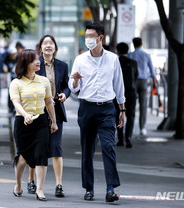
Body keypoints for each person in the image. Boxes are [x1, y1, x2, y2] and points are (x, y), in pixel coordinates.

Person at [68, 22, 125, 203]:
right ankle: (89, 188)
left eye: (91, 36)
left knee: (108, 147)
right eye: (86, 36)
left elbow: (119, 86)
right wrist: (75, 81)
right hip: (87, 108)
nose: (88, 40)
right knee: (87, 149)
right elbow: (73, 88)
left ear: (101, 38)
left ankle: (110, 188)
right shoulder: (80, 60)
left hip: (108, 108)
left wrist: (122, 109)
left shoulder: (113, 59)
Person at [9, 49, 58, 202]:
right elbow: (16, 102)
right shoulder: (16, 82)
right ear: (25, 64)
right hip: (22, 123)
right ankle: (18, 184)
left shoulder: (43, 81)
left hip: (41, 122)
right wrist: (25, 114)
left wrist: (54, 121)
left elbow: (49, 102)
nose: (38, 62)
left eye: (38, 59)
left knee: (41, 154)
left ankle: (40, 189)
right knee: (23, 157)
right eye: (33, 60)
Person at [26, 35, 70, 197]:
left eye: (51, 43)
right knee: (38, 148)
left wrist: (65, 95)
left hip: (56, 111)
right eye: (45, 43)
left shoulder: (63, 66)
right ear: (40, 48)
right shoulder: (34, 64)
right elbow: (27, 84)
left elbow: (66, 86)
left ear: (55, 47)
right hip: (37, 111)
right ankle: (31, 180)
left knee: (56, 148)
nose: (48, 46)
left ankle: (59, 184)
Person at [128, 37, 157, 136]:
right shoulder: (146, 55)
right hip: (144, 81)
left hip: (133, 81)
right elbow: (152, 70)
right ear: (141, 43)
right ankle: (142, 127)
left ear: (134, 44)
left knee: (131, 104)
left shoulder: (130, 55)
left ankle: (129, 127)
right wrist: (154, 82)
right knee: (143, 105)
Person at [115, 42, 138, 148]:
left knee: (119, 115)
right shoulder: (133, 63)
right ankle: (128, 137)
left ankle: (120, 139)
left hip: (118, 93)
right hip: (131, 92)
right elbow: (136, 76)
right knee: (131, 115)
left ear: (117, 51)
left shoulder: (115, 62)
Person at [3, 46, 18, 113]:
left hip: (17, 78)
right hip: (9, 78)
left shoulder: (18, 59)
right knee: (10, 94)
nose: (13, 56)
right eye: (12, 54)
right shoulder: (6, 60)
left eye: (14, 54)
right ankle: (10, 107)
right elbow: (4, 69)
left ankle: (16, 107)